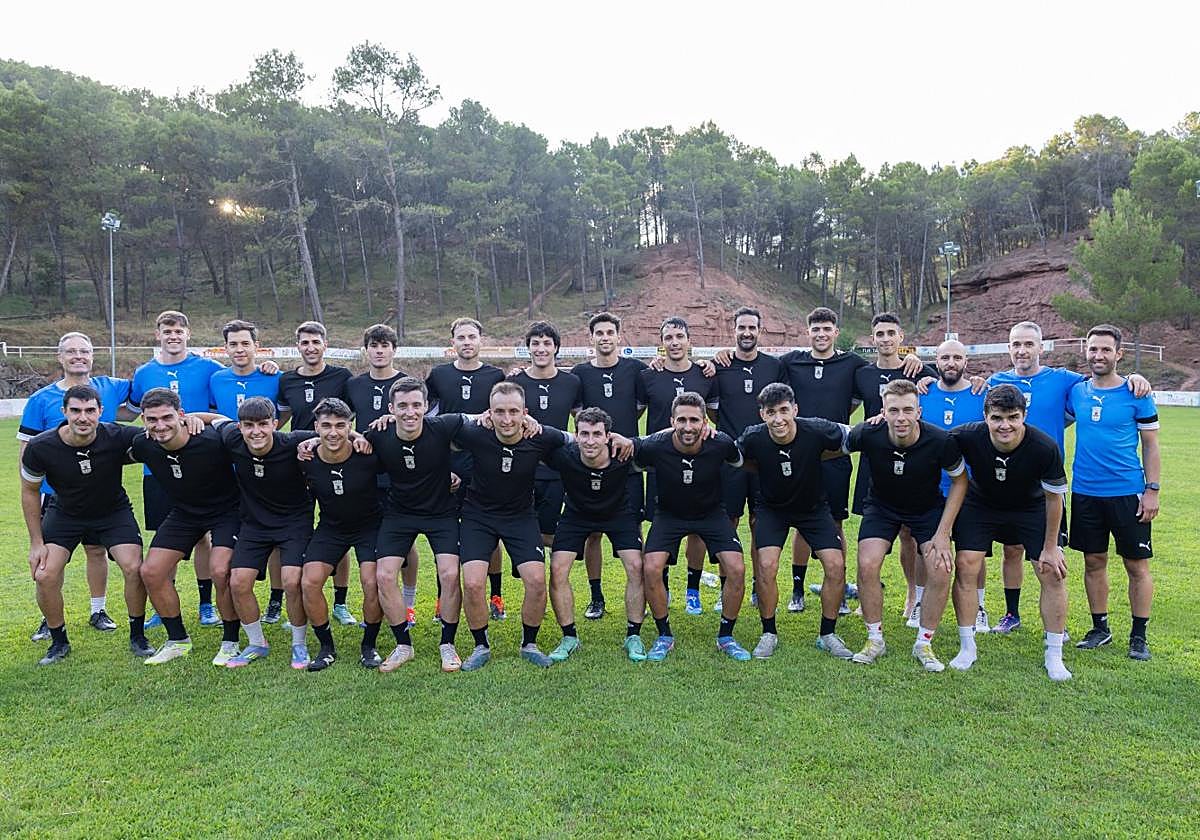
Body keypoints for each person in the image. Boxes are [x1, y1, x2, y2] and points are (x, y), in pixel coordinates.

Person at [985, 321, 1150, 635]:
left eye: (1028, 344)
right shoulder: (996, 381)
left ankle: (1059, 622)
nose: (1022, 350)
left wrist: (1135, 378)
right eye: (1016, 344)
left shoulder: (1064, 381)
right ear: (1009, 348)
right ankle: (1011, 613)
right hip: (1006, 481)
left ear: (1041, 347)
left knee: (1051, 555)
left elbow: (1104, 381)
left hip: (1048, 485)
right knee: (1012, 550)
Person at [775, 308, 923, 614]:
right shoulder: (790, 362)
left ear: (836, 332)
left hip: (837, 454)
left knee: (835, 522)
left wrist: (914, 359)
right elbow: (758, 367)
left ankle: (839, 589)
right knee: (802, 523)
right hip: (800, 452)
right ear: (808, 332)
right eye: (816, 328)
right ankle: (798, 590)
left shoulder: (853, 364)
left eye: (827, 328)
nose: (821, 334)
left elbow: (912, 376)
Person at [19, 384, 151, 664]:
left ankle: (138, 636)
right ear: (63, 412)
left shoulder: (117, 435)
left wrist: (198, 419)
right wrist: (35, 543)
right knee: (44, 574)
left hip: (112, 512)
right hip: (65, 513)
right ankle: (59, 642)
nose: (83, 417)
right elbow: (30, 492)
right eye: (76, 411)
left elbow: (163, 432)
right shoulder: (41, 446)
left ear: (101, 412)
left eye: (90, 411)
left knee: (134, 567)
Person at [949, 385, 1071, 681]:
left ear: (1024, 416)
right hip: (982, 504)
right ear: (985, 416)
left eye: (1013, 417)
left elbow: (1054, 498)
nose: (1005, 425)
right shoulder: (965, 435)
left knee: (1050, 571)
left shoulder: (1044, 447)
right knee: (965, 565)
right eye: (997, 418)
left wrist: (1051, 546)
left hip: (1031, 507)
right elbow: (926, 438)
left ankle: (1054, 654)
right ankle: (967, 648)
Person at [845, 380, 968, 672]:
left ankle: (924, 642)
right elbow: (829, 447)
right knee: (867, 563)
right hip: (882, 507)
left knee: (940, 567)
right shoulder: (868, 433)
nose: (901, 417)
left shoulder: (940, 441)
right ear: (883, 412)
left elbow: (960, 481)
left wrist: (943, 532)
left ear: (919, 412)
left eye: (908, 410)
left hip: (926, 509)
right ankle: (875, 639)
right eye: (894, 410)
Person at [19, 332, 134, 641]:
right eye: (71, 351)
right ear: (60, 357)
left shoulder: (110, 387)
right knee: (48, 564)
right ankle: (50, 620)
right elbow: (28, 459)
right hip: (56, 496)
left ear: (92, 355)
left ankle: (98, 609)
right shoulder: (41, 399)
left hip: (101, 493)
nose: (78, 356)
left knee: (96, 550)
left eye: (84, 350)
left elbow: (151, 385)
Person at [453, 382, 571, 670]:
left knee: (535, 580)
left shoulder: (540, 436)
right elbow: (434, 428)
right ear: (489, 413)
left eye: (514, 412)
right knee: (472, 582)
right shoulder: (476, 432)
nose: (507, 419)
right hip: (478, 516)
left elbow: (576, 439)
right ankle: (480, 645)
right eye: (499, 412)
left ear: (525, 413)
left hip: (520, 517)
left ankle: (529, 643)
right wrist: (473, 417)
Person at [735, 383, 851, 659]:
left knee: (835, 565)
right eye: (771, 412)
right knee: (765, 565)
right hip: (772, 509)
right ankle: (768, 632)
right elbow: (733, 458)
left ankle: (828, 634)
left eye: (784, 410)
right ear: (762, 414)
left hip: (813, 508)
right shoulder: (753, 437)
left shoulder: (817, 429)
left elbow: (852, 436)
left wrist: (880, 420)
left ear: (795, 410)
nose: (778, 419)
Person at [1066, 325, 1160, 661]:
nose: (1098, 355)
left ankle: (1139, 635)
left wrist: (1152, 490)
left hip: (1127, 492)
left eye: (1106, 350)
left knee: (1136, 565)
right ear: (1086, 351)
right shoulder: (1077, 392)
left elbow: (1150, 445)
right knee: (1093, 561)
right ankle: (1100, 628)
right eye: (1093, 349)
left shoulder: (1137, 393)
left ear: (1119, 353)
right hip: (1086, 492)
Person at [130, 388, 243, 665]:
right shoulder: (143, 444)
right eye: (152, 419)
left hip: (226, 511)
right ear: (143, 419)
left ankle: (231, 641)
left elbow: (235, 426)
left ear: (181, 415)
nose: (160, 425)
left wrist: (201, 417)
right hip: (184, 513)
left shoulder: (210, 439)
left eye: (167, 417)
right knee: (151, 571)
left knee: (220, 570)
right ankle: (177, 640)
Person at [635, 392, 750, 662]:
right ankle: (664, 635)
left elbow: (739, 461)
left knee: (736, 568)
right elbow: (633, 457)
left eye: (695, 420)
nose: (688, 426)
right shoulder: (656, 444)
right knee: (651, 567)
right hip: (669, 515)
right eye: (682, 419)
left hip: (711, 513)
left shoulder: (720, 443)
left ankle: (726, 636)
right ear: (672, 420)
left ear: (704, 421)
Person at [130, 311, 226, 631]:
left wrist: (200, 418)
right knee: (164, 535)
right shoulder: (144, 372)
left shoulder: (210, 368)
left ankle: (205, 603)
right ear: (157, 334)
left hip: (199, 463)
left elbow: (229, 393)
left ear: (188, 333)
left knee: (204, 539)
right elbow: (127, 408)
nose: (173, 335)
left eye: (179, 330)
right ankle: (163, 604)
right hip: (157, 469)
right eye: (167, 330)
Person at [368, 377, 471, 673]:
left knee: (450, 575)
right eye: (402, 406)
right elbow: (347, 440)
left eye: (416, 405)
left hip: (441, 513)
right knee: (384, 576)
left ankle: (447, 644)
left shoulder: (442, 426)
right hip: (399, 514)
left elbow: (479, 418)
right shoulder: (379, 433)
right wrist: (310, 441)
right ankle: (403, 645)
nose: (409, 412)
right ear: (391, 408)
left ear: (427, 407)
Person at [216, 397, 316, 669]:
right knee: (238, 581)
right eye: (248, 425)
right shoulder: (232, 439)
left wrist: (317, 442)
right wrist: (187, 418)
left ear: (275, 424)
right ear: (239, 427)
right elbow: (213, 420)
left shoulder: (293, 441)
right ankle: (257, 643)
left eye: (263, 424)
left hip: (294, 522)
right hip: (254, 524)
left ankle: (299, 644)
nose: (256, 431)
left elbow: (338, 431)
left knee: (292, 580)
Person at [851, 313, 939, 620]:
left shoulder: (919, 370)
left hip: (913, 464)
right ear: (872, 339)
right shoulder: (861, 373)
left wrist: (927, 373)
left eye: (891, 333)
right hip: (874, 465)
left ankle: (913, 594)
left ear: (901, 338)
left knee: (908, 535)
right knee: (873, 532)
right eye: (880, 334)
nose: (885, 339)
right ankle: (867, 593)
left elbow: (950, 387)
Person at [544, 408, 643, 661]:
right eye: (584, 434)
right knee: (557, 569)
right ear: (575, 435)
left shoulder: (624, 454)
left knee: (636, 566)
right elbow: (539, 436)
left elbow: (663, 438)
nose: (590, 440)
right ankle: (569, 637)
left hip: (618, 514)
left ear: (608, 436)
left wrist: (630, 440)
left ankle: (634, 635)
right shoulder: (564, 456)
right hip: (576, 515)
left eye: (597, 434)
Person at [208, 319, 290, 625]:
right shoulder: (215, 377)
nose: (240, 349)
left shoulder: (274, 376)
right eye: (233, 344)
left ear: (257, 345)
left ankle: (275, 599)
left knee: (274, 533)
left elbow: (286, 411)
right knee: (232, 535)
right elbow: (212, 414)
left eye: (246, 343)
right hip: (226, 469)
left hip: (267, 468)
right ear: (225, 347)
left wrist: (266, 440)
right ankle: (216, 602)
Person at [425, 317, 507, 620]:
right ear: (453, 343)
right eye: (461, 337)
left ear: (481, 340)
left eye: (472, 336)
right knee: (445, 533)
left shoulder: (495, 375)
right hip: (447, 465)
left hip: (485, 464)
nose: (467, 342)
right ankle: (441, 599)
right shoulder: (438, 376)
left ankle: (496, 597)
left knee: (490, 532)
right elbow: (429, 421)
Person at [297, 398, 386, 671]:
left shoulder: (367, 453)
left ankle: (368, 645)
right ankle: (326, 648)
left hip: (369, 527)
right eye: (326, 426)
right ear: (316, 428)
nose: (333, 432)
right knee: (309, 582)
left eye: (340, 425)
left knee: (372, 583)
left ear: (350, 426)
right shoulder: (306, 457)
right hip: (331, 528)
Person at [570, 312, 648, 620]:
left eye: (609, 332)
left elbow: (642, 405)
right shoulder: (579, 374)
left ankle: (644, 589)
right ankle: (597, 596)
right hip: (590, 464)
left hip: (626, 464)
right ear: (591, 338)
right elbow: (577, 415)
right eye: (598, 333)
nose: (604, 337)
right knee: (592, 533)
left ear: (619, 336)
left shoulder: (637, 370)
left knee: (634, 527)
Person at [278, 321, 357, 626]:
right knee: (296, 530)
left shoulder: (342, 377)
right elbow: (279, 416)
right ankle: (290, 602)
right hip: (300, 460)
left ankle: (340, 602)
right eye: (304, 342)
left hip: (333, 458)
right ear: (297, 345)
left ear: (326, 344)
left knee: (338, 524)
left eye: (315, 342)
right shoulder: (286, 379)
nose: (310, 347)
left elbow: (348, 419)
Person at [639, 316, 719, 616]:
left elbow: (715, 417)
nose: (674, 342)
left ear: (689, 341)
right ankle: (665, 587)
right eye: (668, 337)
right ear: (662, 343)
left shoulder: (706, 374)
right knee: (661, 526)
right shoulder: (648, 375)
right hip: (661, 465)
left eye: (679, 337)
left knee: (697, 530)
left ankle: (693, 590)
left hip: (700, 465)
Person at [344, 323, 419, 627]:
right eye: (373, 345)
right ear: (366, 350)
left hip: (402, 470)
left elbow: (420, 421)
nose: (378, 351)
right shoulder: (354, 385)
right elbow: (341, 421)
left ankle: (409, 604)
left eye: (384, 345)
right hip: (366, 472)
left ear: (393, 350)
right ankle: (377, 604)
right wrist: (354, 437)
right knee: (375, 539)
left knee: (407, 539)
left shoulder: (407, 383)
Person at [710, 307, 783, 612]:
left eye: (752, 327)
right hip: (730, 459)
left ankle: (757, 585)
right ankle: (725, 587)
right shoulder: (719, 366)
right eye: (742, 327)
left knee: (760, 522)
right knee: (727, 522)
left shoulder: (774, 366)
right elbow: (713, 411)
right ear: (734, 330)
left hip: (765, 459)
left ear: (759, 330)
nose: (747, 332)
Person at [917, 339, 989, 633]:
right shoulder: (923, 393)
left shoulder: (980, 394)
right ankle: (920, 603)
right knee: (924, 547)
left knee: (973, 550)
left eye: (957, 357)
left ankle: (980, 607)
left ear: (965, 362)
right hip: (929, 487)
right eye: (945, 357)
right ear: (936, 360)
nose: (951, 363)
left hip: (971, 488)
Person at [507, 321, 582, 547]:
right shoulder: (515, 381)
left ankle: (554, 582)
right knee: (522, 532)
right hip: (521, 468)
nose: (541, 349)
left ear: (556, 348)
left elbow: (580, 418)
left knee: (549, 534)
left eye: (547, 343)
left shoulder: (571, 382)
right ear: (528, 348)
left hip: (556, 471)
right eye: (535, 343)